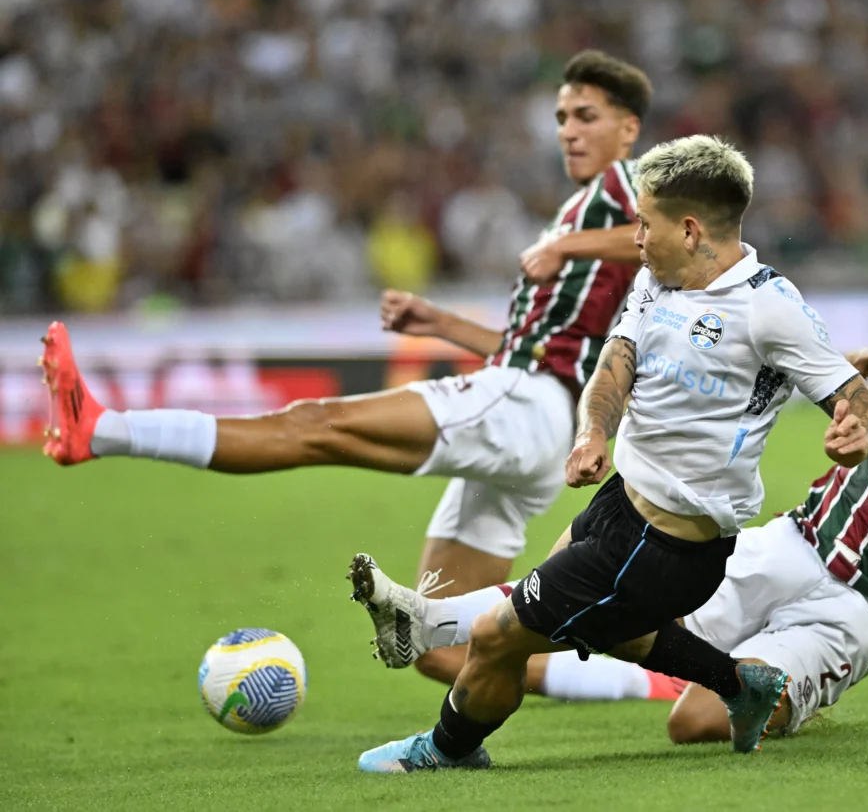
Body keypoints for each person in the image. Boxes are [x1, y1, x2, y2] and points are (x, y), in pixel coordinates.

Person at [345, 248, 868, 745]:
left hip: (860, 607)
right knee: (625, 601)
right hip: (789, 543)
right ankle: (438, 622)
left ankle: (776, 685)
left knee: (693, 721)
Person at [37, 50, 651, 617]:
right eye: (562, 116)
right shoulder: (581, 210)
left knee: (314, 426)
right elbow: (542, 341)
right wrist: (439, 323)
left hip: (525, 401)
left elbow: (671, 230)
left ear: (627, 128)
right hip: (538, 416)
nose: (568, 129)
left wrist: (564, 244)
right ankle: (661, 678)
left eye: (586, 116)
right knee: (444, 637)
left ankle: (103, 430)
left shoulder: (624, 187)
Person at [347, 134, 868, 773]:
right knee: (600, 623)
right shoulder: (659, 281)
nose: (634, 236)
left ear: (689, 229)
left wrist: (857, 432)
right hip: (620, 503)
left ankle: (444, 746)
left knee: (501, 635)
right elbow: (616, 360)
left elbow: (854, 396)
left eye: (643, 222)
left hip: (669, 548)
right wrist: (592, 433)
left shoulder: (769, 309)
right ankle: (744, 685)